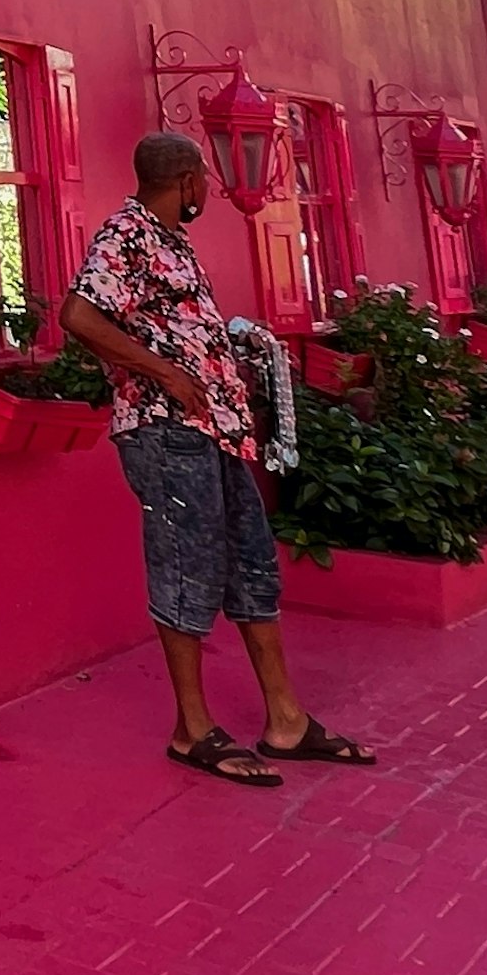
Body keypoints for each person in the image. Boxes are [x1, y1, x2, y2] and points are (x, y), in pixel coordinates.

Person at [66, 131, 377, 788]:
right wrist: (166, 374)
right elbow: (79, 314)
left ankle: (286, 718)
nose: (206, 189)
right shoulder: (128, 234)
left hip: (219, 432)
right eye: (203, 177)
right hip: (167, 431)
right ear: (186, 179)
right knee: (186, 571)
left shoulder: (171, 240)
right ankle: (192, 729)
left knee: (252, 568)